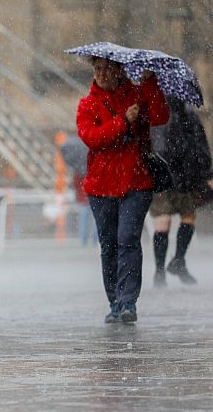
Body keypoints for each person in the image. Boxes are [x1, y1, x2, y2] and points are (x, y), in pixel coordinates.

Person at [76, 57, 169, 324]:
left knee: (128, 238)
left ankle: (128, 301)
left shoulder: (136, 95)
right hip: (101, 186)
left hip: (136, 182)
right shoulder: (87, 104)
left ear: (120, 70)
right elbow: (93, 138)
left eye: (108, 68)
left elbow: (161, 115)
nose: (102, 73)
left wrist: (150, 82)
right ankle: (114, 301)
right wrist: (122, 121)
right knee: (109, 245)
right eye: (97, 68)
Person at [150, 97, 213, 287]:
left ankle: (161, 271)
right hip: (182, 175)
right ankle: (176, 261)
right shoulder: (187, 114)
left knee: (164, 220)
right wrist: (207, 173)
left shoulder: (153, 113)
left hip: (161, 174)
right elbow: (200, 147)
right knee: (186, 216)